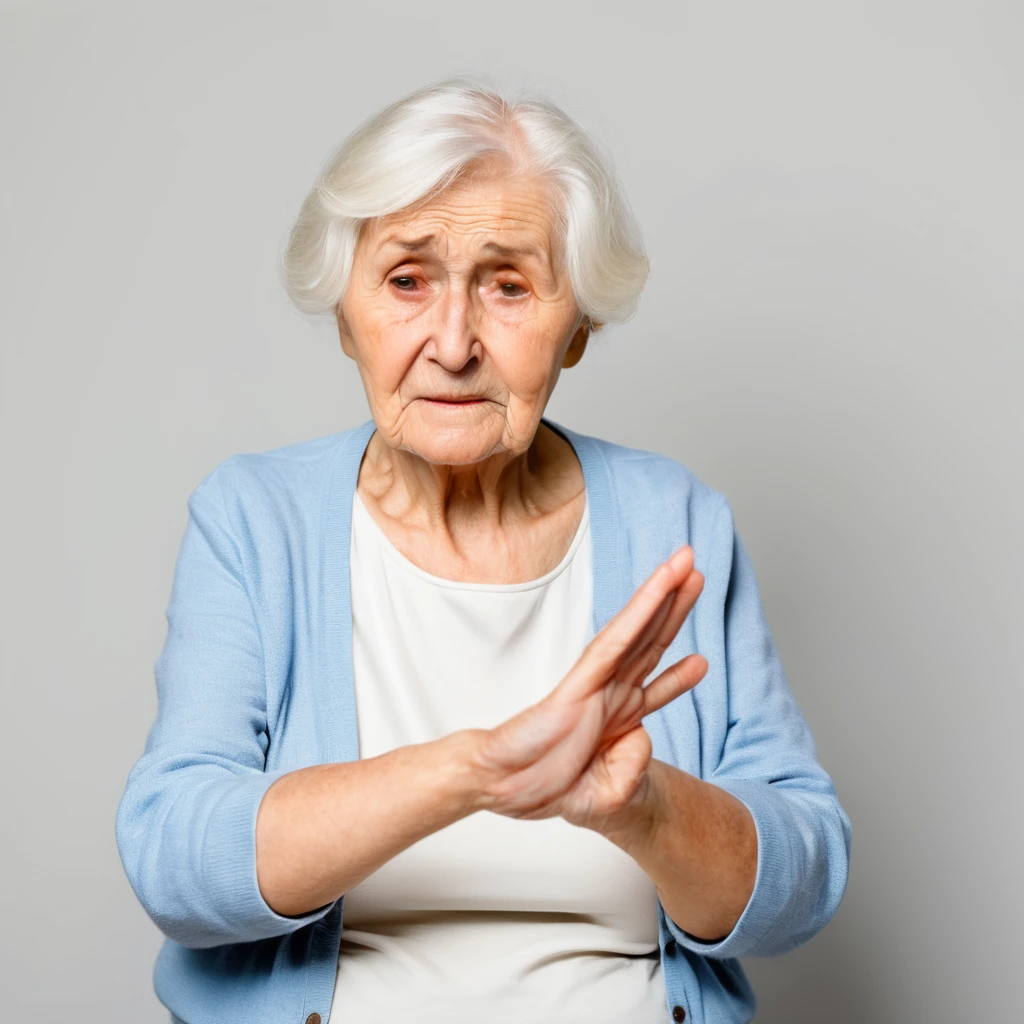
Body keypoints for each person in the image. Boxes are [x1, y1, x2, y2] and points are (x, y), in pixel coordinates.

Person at [115, 77, 852, 1024]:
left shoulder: (676, 520)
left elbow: (805, 881)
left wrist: (645, 809)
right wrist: (475, 769)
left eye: (508, 284)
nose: (453, 343)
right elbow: (173, 857)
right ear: (346, 314)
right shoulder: (257, 520)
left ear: (577, 326)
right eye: (407, 281)